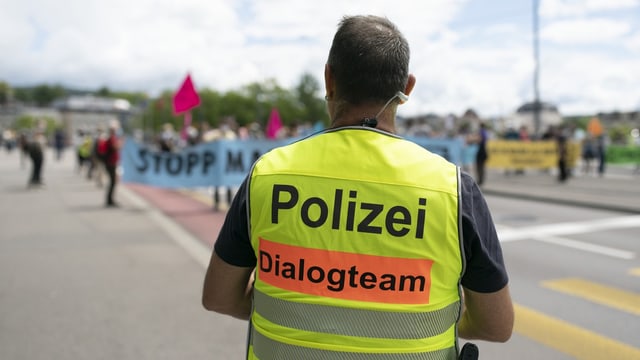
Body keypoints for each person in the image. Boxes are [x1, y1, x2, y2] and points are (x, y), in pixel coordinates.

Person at [202, 15, 513, 359]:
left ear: (329, 79)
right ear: (407, 88)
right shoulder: (453, 189)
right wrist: (450, 321)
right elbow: (495, 326)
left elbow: (219, 296)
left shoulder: (268, 175)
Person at [103, 121, 122, 207]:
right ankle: (110, 200)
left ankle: (110, 199)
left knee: (113, 182)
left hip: (111, 162)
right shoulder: (112, 138)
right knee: (113, 182)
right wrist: (121, 142)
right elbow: (115, 147)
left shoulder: (112, 138)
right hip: (111, 163)